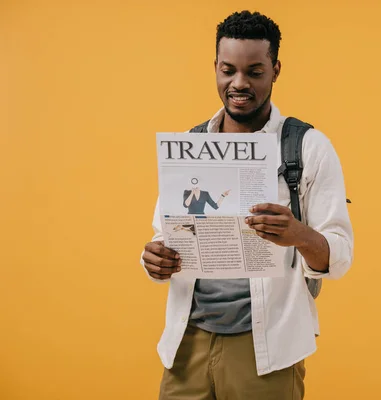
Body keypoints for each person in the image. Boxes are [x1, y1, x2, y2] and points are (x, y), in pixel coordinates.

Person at [141, 10, 354, 400]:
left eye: (254, 72)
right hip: (187, 342)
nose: (238, 83)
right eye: (228, 70)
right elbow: (163, 234)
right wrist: (153, 260)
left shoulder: (307, 147)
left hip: (266, 349)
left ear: (275, 69)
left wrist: (298, 234)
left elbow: (339, 256)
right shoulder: (190, 146)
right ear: (216, 68)